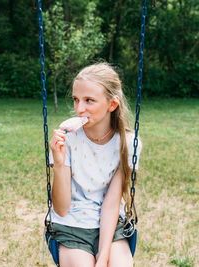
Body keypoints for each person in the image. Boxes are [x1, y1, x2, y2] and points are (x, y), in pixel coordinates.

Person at [49, 62, 142, 267]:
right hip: (71, 224)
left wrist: (103, 255)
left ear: (112, 104)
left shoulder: (128, 143)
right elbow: (62, 208)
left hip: (111, 225)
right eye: (76, 100)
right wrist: (58, 162)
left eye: (89, 100)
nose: (79, 109)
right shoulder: (68, 139)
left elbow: (111, 203)